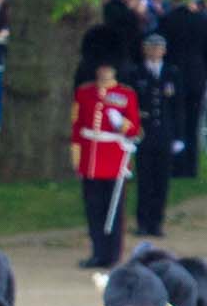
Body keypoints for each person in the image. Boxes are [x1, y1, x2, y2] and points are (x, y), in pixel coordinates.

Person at [70, 55, 139, 270]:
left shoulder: (126, 94)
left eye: (109, 67)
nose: (105, 71)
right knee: (94, 208)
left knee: (114, 210)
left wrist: (122, 125)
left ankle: (112, 254)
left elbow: (135, 128)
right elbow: (77, 128)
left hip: (114, 158)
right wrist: (77, 158)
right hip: (90, 157)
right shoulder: (84, 93)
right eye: (102, 67)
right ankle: (97, 251)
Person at [158, 0, 207, 176]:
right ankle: (190, 167)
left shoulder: (169, 19)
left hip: (175, 76)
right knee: (192, 123)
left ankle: (175, 164)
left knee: (175, 121)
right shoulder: (203, 21)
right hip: (197, 77)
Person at [131, 34, 179, 238]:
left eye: (159, 48)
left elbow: (178, 107)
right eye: (151, 48)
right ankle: (142, 222)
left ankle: (157, 222)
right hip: (144, 132)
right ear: (145, 50)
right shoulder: (136, 73)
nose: (155, 52)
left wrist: (178, 136)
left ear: (164, 51)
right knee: (145, 180)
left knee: (162, 180)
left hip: (164, 133)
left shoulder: (171, 72)